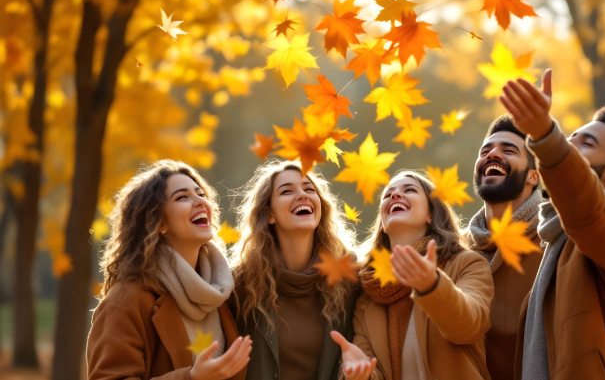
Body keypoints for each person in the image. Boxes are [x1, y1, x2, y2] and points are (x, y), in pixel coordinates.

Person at [500, 70, 605, 379]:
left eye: (586, 144)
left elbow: (592, 215)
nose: (568, 144)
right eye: (569, 138)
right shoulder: (556, 240)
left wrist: (545, 136)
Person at [87, 159, 251, 380]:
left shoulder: (224, 292)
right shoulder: (126, 301)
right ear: (159, 223)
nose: (200, 202)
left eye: (201, 194)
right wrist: (191, 378)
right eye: (182, 197)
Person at [331, 170, 494, 380]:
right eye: (388, 194)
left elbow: (469, 328)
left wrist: (432, 286)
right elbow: (372, 370)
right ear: (382, 223)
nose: (395, 195)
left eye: (410, 190)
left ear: (431, 214)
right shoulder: (368, 295)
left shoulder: (467, 263)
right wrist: (361, 376)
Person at [230, 160, 360, 380]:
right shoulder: (241, 284)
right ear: (269, 214)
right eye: (287, 191)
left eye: (309, 189)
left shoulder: (351, 277)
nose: (302, 195)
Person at [465, 114, 544, 380]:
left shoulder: (555, 242)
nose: (492, 154)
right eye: (485, 151)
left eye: (508, 150)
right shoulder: (457, 249)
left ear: (533, 176)